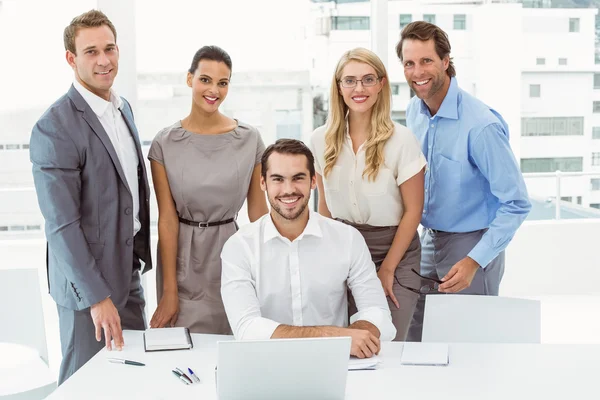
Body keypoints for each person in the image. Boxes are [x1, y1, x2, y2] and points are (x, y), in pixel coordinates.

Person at [29, 10, 152, 384]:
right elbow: (61, 225)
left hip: (128, 271)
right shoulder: (54, 126)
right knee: (85, 384)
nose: (104, 60)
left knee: (135, 379)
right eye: (91, 51)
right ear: (72, 58)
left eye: (110, 49)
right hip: (88, 286)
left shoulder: (123, 108)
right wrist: (96, 298)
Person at [396, 21, 532, 341]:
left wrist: (474, 261)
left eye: (426, 60)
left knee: (471, 343)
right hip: (430, 237)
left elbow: (516, 203)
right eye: (409, 63)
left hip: (472, 243)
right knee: (416, 334)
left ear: (445, 61)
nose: (418, 72)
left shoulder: (480, 125)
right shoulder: (414, 111)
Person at [220, 139, 396, 359]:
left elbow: (377, 312)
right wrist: (335, 337)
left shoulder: (347, 238)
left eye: (298, 178)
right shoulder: (239, 247)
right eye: (278, 179)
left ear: (313, 181)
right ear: (263, 183)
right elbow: (247, 328)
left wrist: (357, 335)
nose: (288, 190)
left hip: (337, 363)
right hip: (268, 362)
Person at [148, 46, 269, 334]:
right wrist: (170, 292)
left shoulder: (250, 139)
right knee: (183, 352)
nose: (213, 89)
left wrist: (270, 274)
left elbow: (259, 213)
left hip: (233, 254)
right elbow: (166, 219)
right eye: (205, 79)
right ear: (190, 79)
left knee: (236, 344)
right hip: (182, 259)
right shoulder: (164, 143)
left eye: (222, 82)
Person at [309, 48, 426, 341]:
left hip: (395, 252)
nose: (358, 89)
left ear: (381, 84)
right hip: (344, 251)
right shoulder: (318, 140)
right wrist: (328, 260)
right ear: (338, 87)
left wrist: (387, 269)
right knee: (346, 342)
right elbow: (324, 206)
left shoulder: (402, 140)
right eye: (349, 81)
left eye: (367, 79)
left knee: (386, 341)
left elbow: (414, 211)